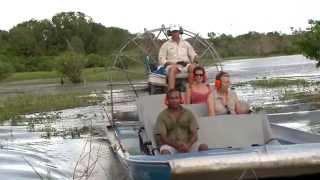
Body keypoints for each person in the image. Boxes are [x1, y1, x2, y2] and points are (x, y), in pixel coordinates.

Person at [155, 89, 208, 154]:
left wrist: (188, 145)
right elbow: (163, 138)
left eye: (177, 98)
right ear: (167, 100)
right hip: (171, 146)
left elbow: (195, 134)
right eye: (172, 98)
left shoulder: (188, 113)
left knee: (203, 147)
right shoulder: (162, 116)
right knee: (165, 152)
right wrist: (177, 146)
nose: (174, 101)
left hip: (188, 144)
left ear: (180, 99)